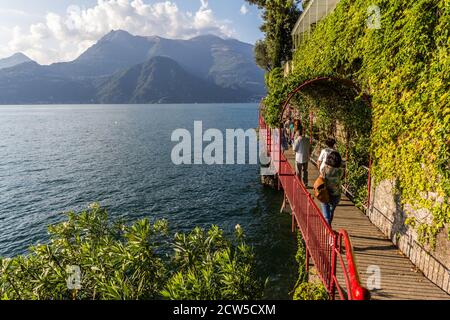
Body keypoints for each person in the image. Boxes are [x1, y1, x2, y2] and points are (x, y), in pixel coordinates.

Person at [320, 151, 343, 225]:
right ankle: (329, 228)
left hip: (325, 193)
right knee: (330, 212)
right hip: (336, 195)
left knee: (326, 216)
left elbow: (321, 179)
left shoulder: (324, 169)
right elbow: (342, 178)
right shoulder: (341, 171)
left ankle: (328, 232)